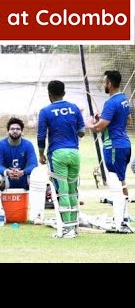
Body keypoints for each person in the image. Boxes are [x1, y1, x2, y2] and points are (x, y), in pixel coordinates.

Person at [85, 70, 132, 232]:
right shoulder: (124, 100)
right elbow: (128, 119)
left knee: (114, 181)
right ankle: (124, 217)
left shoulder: (111, 102)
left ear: (110, 84)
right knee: (121, 180)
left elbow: (100, 127)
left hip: (113, 146)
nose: (103, 85)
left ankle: (119, 222)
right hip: (125, 145)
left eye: (104, 82)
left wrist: (90, 124)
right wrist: (105, 120)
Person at [37, 80, 85, 238]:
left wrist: (41, 154)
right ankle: (74, 226)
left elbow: (41, 136)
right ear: (64, 93)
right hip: (74, 153)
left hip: (57, 153)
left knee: (62, 190)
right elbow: (82, 132)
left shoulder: (45, 111)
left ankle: (66, 228)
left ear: (49, 94)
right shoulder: (74, 108)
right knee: (73, 190)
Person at [0, 117, 46, 224]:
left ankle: (37, 216)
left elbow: (33, 163)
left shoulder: (27, 144)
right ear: (8, 131)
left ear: (22, 131)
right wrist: (7, 172)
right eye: (12, 129)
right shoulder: (1, 144)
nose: (15, 131)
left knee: (39, 172)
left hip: (24, 178)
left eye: (18, 129)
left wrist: (23, 172)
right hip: (7, 179)